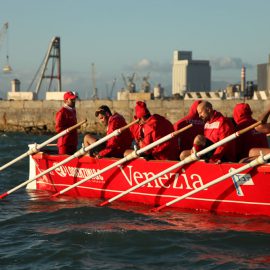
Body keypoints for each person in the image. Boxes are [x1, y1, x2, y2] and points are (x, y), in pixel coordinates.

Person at [55, 91, 78, 155]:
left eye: (74, 99)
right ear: (66, 100)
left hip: (73, 142)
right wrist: (71, 128)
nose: (74, 101)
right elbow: (58, 128)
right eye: (72, 99)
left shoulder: (73, 111)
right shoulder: (62, 112)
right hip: (65, 143)